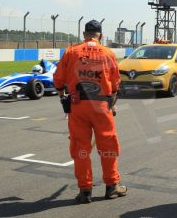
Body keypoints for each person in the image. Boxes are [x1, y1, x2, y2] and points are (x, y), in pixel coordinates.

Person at [53, 20, 127, 204]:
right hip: (102, 107)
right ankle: (112, 187)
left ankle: (85, 190)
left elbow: (58, 80)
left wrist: (63, 97)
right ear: (100, 35)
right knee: (108, 147)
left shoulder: (71, 51)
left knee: (81, 149)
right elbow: (116, 82)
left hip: (78, 106)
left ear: (84, 34)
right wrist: (113, 102)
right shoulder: (108, 53)